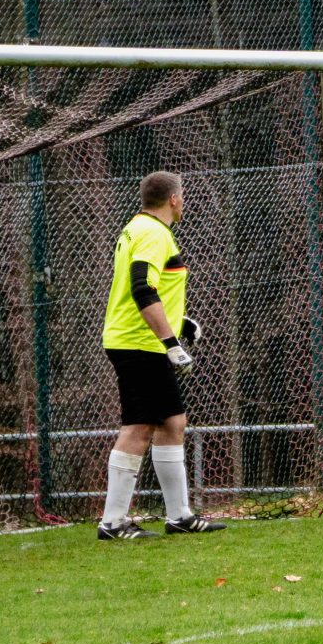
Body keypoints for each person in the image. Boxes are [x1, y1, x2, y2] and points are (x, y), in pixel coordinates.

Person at [95, 170, 223, 539]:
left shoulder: (136, 227)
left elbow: (146, 293)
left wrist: (179, 322)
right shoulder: (154, 234)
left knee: (172, 423)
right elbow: (142, 289)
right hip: (140, 344)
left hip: (137, 339)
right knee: (138, 427)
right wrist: (171, 343)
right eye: (182, 196)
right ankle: (113, 522)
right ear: (174, 199)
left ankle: (179, 516)